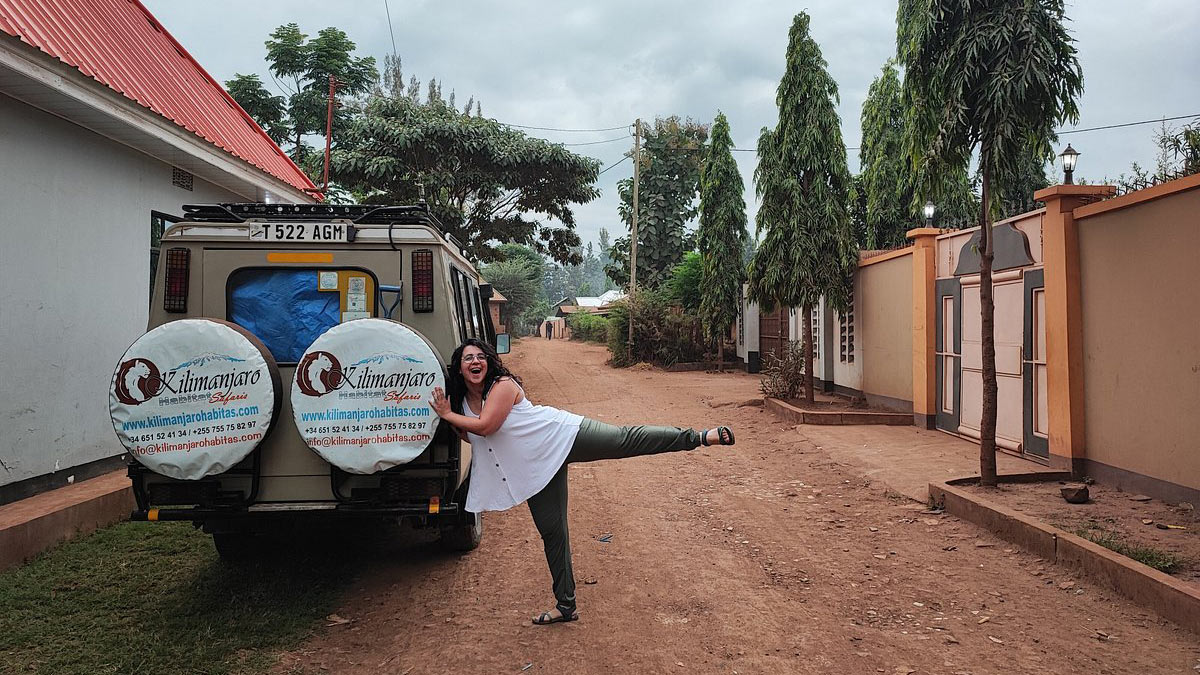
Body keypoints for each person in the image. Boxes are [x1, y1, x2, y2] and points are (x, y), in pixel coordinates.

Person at [429, 338, 735, 626]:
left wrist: (447, 414)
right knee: (553, 532)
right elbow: (471, 434)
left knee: (623, 440)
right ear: (459, 367)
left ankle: (698, 437)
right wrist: (450, 415)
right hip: (536, 469)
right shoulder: (462, 403)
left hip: (562, 435)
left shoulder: (503, 385)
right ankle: (565, 606)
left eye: (481, 356)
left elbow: (485, 427)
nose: (476, 361)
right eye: (469, 357)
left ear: (489, 362)